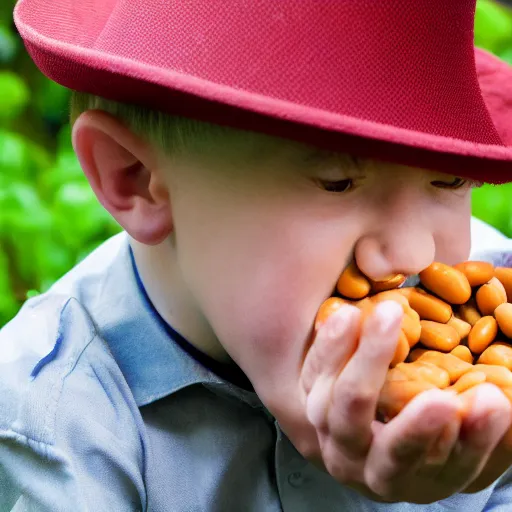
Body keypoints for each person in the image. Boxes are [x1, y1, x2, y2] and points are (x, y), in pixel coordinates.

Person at [2, 0, 512, 510]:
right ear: (133, 175)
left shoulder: (496, 330)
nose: (414, 253)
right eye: (337, 182)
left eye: (450, 177)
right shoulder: (52, 425)